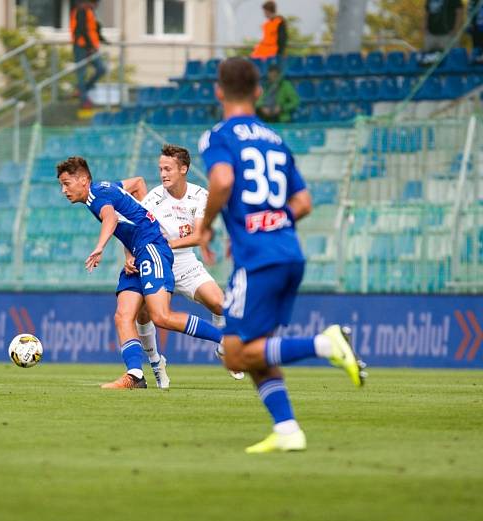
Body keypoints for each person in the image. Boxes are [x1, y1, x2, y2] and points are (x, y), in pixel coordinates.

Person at [197, 57, 367, 453]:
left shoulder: (217, 135)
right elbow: (304, 202)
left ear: (219, 91)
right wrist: (273, 220)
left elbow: (222, 180)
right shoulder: (276, 139)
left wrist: (206, 224)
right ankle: (288, 429)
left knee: (235, 354)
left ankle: (325, 344)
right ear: (258, 92)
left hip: (258, 259)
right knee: (257, 347)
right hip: (289, 251)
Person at [57, 156, 225, 389]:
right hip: (138, 251)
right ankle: (135, 375)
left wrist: (99, 247)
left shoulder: (96, 196)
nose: (63, 190)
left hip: (152, 247)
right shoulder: (105, 187)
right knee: (123, 315)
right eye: (61, 185)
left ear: (84, 180)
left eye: (67, 183)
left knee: (161, 316)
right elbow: (136, 183)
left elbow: (110, 218)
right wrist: (138, 227)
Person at [128, 144, 243, 389]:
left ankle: (224, 349)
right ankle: (156, 363)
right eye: (160, 169)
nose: (163, 174)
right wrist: (130, 255)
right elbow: (132, 228)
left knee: (220, 304)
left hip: (184, 261)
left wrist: (167, 244)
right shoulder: (153, 198)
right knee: (144, 314)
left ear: (184, 169)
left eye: (168, 169)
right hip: (156, 261)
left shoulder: (200, 195)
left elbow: (201, 236)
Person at [70, 0, 107, 109]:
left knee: (101, 69)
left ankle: (82, 90)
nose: (96, 6)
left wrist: (102, 39)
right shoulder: (81, 11)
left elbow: (94, 28)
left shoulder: (89, 11)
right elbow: (82, 30)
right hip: (82, 46)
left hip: (90, 46)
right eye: (94, 3)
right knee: (82, 73)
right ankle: (84, 100)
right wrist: (89, 47)